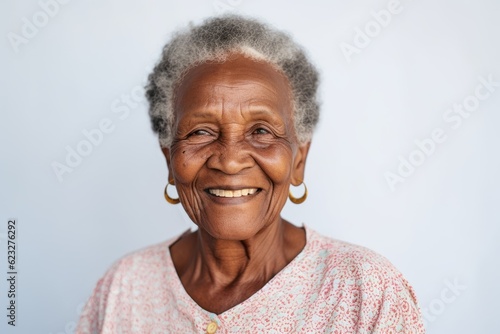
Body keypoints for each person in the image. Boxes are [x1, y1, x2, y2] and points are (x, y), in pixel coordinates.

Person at [76, 15, 425, 333]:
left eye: (261, 131)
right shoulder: (125, 287)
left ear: (298, 160)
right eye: (200, 132)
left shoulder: (366, 292)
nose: (229, 162)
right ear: (169, 160)